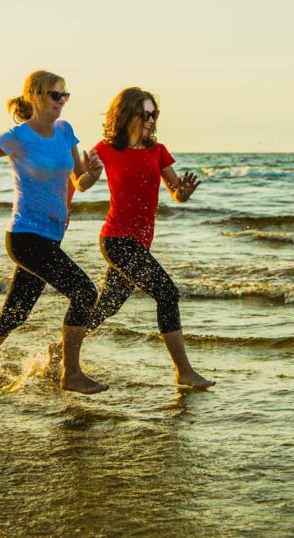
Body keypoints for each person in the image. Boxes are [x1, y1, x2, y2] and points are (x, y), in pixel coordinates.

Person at [0, 70, 107, 400]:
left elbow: (78, 182)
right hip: (24, 237)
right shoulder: (17, 136)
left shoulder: (65, 132)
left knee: (14, 314)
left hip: (50, 237)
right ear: (34, 96)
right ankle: (71, 373)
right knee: (84, 292)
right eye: (55, 95)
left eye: (65, 95)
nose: (62, 102)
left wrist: (93, 174)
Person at [84, 87, 215, 388]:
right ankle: (184, 371)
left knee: (107, 306)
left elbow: (176, 193)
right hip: (116, 240)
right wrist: (81, 178)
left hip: (140, 242)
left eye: (155, 114)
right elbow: (80, 181)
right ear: (127, 114)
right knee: (167, 293)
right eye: (146, 114)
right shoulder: (105, 150)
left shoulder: (158, 152)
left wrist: (184, 192)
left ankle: (58, 351)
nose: (152, 120)